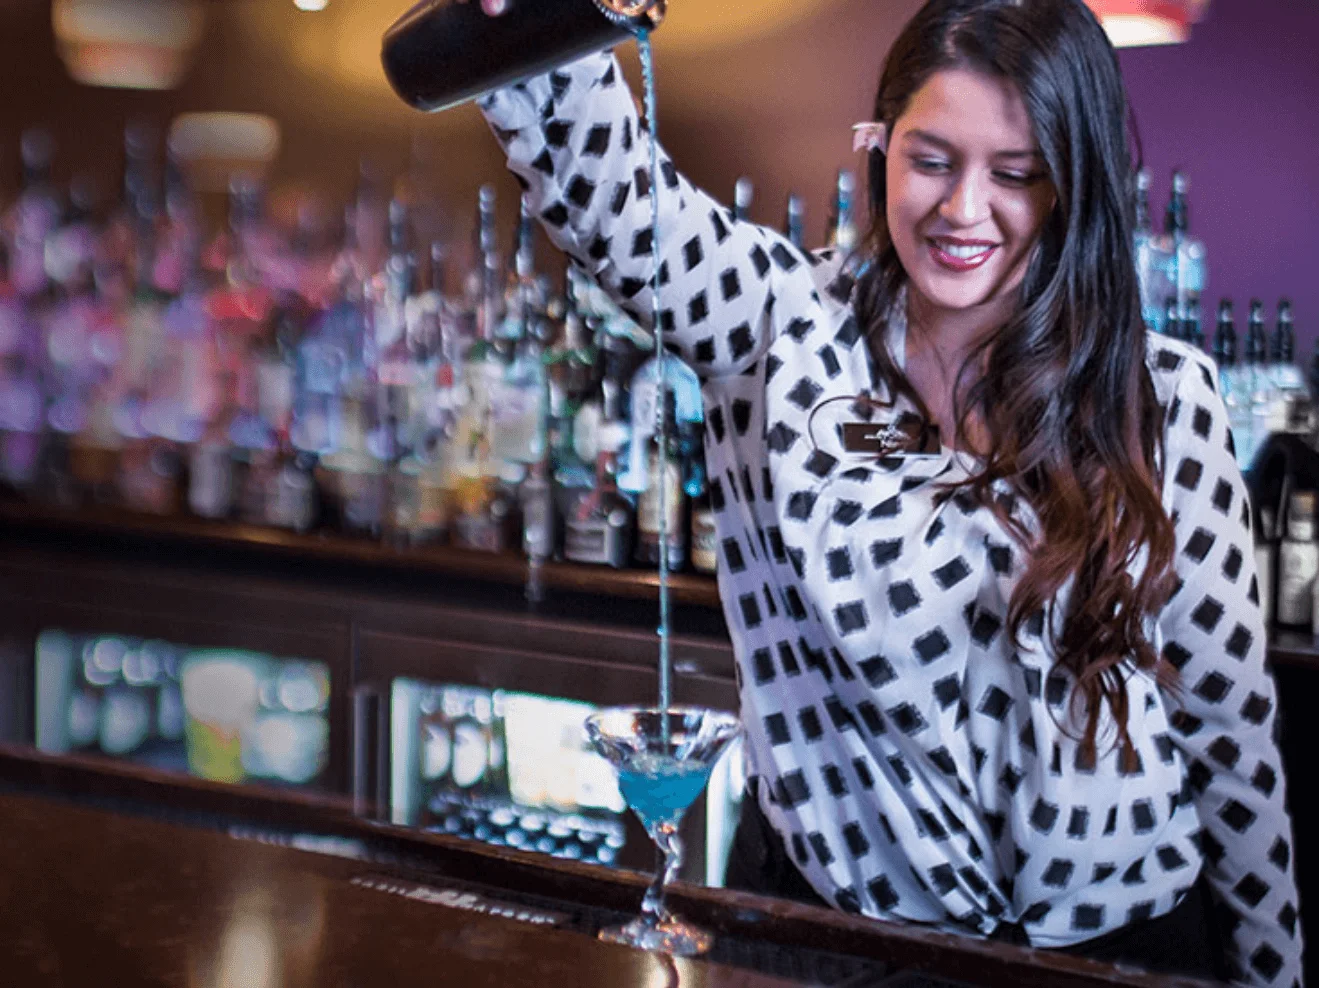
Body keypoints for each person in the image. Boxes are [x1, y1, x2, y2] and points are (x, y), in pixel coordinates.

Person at [475, 0, 1301, 982]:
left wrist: (1272, 971)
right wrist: (538, 21)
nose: (962, 210)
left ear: (1074, 183)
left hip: (1120, 952)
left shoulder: (1161, 396)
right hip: (835, 942)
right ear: (879, 149)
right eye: (931, 160)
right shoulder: (780, 328)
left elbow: (1228, 734)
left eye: (1015, 173)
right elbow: (609, 198)